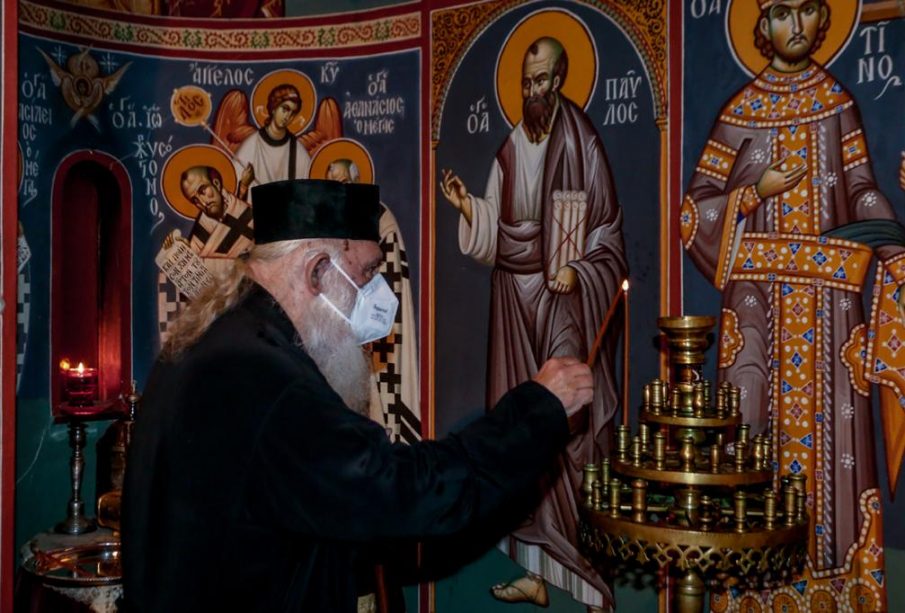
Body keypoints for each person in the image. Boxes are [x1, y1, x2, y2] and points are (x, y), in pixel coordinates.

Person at [123, 178, 595, 613]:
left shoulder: (218, 339)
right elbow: (402, 492)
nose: (377, 293)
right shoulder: (267, 377)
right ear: (317, 271)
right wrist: (537, 410)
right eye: (367, 272)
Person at [681, 1, 901, 610]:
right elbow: (694, 211)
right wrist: (755, 192)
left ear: (823, 20)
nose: (795, 25)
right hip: (756, 309)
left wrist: (894, 247)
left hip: (831, 307)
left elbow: (862, 190)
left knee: (838, 453)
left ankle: (835, 589)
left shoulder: (838, 104)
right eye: (781, 12)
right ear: (763, 26)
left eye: (807, 10)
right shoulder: (740, 113)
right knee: (752, 437)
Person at [440, 36, 625, 611]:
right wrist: (469, 209)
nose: (533, 91)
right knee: (517, 427)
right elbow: (498, 230)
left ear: (560, 79)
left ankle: (586, 575)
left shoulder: (583, 142)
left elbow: (607, 233)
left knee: (566, 431)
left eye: (542, 79)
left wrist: (578, 269)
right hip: (512, 302)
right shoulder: (511, 146)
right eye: (526, 81)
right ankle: (534, 570)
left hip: (563, 302)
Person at [326, 158, 421, 444]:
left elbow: (390, 285)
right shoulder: (326, 225)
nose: (340, 191)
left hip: (374, 341)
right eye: (332, 185)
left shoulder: (380, 219)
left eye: (344, 182)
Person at [234, 84, 311, 186]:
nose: (287, 116)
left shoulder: (298, 152)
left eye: (293, 113)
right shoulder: (251, 145)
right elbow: (236, 184)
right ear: (274, 107)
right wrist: (244, 184)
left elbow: (305, 189)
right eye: (285, 109)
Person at [177, 164, 255, 260]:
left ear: (216, 184)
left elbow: (238, 217)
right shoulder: (201, 233)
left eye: (202, 191)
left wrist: (243, 187)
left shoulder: (235, 201)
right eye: (195, 200)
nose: (203, 203)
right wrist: (182, 251)